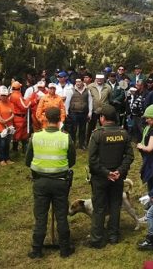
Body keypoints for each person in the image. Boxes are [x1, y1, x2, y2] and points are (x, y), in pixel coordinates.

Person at [26, 107, 76, 259]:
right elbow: (72, 160)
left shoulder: (35, 137)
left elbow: (28, 160)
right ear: (60, 119)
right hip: (60, 182)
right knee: (61, 216)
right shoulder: (66, 137)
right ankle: (65, 249)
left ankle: (36, 250)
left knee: (40, 217)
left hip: (40, 182)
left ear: (45, 119)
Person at [87, 104, 134, 248]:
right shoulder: (123, 133)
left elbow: (92, 159)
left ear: (102, 118)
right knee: (115, 206)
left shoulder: (97, 134)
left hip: (101, 178)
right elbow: (130, 156)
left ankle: (97, 239)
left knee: (99, 207)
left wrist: (106, 173)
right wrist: (119, 171)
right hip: (118, 177)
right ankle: (113, 236)